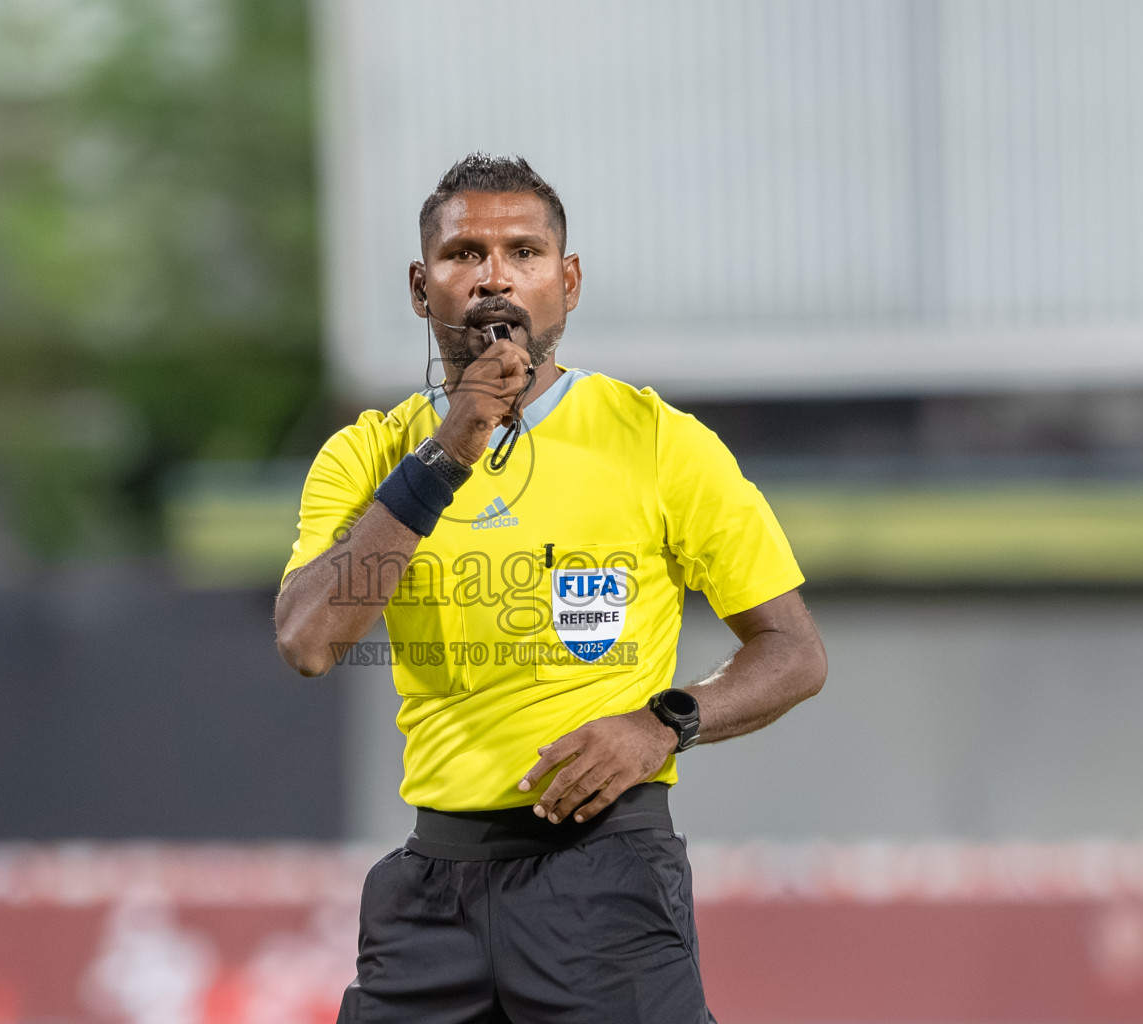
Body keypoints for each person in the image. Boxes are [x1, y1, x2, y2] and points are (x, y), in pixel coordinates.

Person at [275, 153, 828, 1023]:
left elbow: (794, 652)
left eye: (525, 253)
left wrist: (664, 723)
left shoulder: (657, 442)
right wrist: (450, 448)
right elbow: (310, 641)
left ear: (566, 283)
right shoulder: (367, 455)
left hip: (604, 880)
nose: (495, 277)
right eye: (465, 255)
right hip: (431, 893)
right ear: (422, 289)